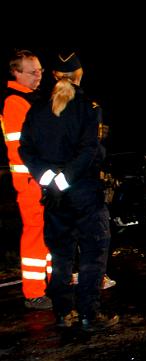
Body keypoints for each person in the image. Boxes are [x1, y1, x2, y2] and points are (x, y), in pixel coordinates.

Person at [19, 51, 118, 331]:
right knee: (92, 252)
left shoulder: (37, 109)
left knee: (61, 255)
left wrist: (50, 180)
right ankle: (89, 314)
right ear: (79, 74)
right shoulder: (88, 107)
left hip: (53, 196)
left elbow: (25, 149)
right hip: (84, 191)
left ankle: (63, 314)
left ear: (53, 75)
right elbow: (90, 151)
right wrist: (66, 179)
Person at [1, 50, 52, 310]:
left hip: (40, 180)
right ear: (16, 72)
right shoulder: (15, 102)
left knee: (49, 233)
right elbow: (23, 147)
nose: (38, 76)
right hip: (32, 182)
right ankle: (34, 292)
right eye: (32, 72)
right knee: (36, 235)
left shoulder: (30, 99)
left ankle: (53, 283)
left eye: (40, 71)